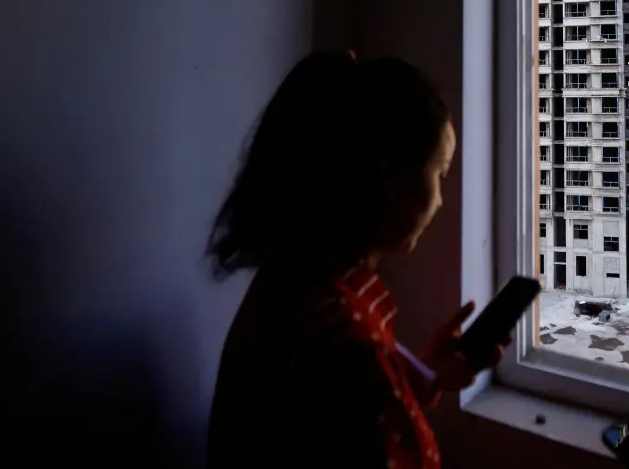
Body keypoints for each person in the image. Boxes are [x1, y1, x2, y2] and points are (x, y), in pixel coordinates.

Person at [205, 51, 503, 469]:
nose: (439, 200)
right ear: (391, 177)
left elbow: (326, 431)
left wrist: (422, 374)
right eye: (439, 173)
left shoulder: (294, 282)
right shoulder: (351, 345)